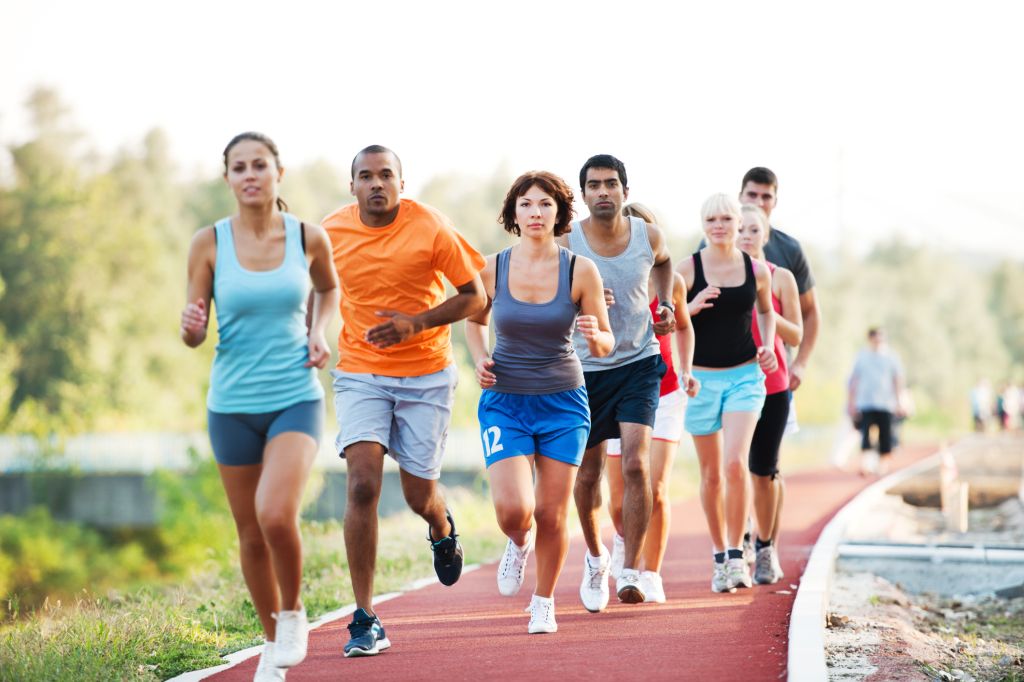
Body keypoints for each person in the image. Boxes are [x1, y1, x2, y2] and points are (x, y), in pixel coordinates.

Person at [180, 132, 340, 681]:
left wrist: (319, 330)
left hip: (294, 396)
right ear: (227, 178)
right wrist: (191, 327)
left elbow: (329, 290)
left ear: (278, 172)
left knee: (276, 513)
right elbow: (194, 330)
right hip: (231, 404)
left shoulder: (308, 237)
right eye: (239, 167)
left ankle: (293, 611)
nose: (250, 175)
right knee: (249, 530)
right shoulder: (209, 243)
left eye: (259, 165)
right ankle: (272, 643)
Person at [322, 145, 486, 657]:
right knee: (363, 482)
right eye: (365, 176)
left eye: (386, 175)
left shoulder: (430, 227)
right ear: (352, 186)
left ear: (401, 182)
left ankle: (440, 525)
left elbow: (475, 297)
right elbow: (308, 290)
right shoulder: (330, 233)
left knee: (419, 496)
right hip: (359, 370)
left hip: (426, 375)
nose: (376, 184)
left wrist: (416, 323)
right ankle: (365, 617)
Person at [465, 171, 614, 633]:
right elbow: (472, 322)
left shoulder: (580, 270)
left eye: (545, 204)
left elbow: (607, 340)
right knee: (515, 510)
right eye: (526, 204)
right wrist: (480, 358)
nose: (535, 212)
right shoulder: (492, 267)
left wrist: (596, 335)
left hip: (563, 402)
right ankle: (517, 541)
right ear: (513, 213)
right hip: (505, 399)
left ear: (559, 213)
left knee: (553, 512)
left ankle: (543, 601)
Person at [558, 154, 677, 610]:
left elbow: (665, 265)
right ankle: (595, 557)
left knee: (635, 465)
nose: (603, 192)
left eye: (611, 184)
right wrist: (581, 300)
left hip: (639, 364)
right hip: (583, 370)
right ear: (584, 195)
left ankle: (632, 568)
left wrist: (663, 304)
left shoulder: (648, 236)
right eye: (594, 185)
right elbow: (546, 294)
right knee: (587, 475)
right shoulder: (568, 241)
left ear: (625, 191)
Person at [681, 193, 777, 593]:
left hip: (744, 377)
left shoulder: (755, 270)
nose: (718, 225)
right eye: (711, 219)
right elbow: (666, 322)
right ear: (703, 225)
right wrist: (692, 305)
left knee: (736, 465)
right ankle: (719, 553)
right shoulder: (688, 269)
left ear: (739, 223)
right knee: (711, 475)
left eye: (725, 219)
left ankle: (738, 554)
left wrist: (768, 345)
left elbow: (767, 311)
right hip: (700, 379)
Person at [604, 203, 698, 604]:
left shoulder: (670, 280)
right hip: (614, 388)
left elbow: (684, 327)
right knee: (618, 496)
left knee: (655, 487)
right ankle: (625, 538)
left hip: (665, 391)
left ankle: (651, 573)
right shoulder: (599, 275)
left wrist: (688, 368)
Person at [736, 204, 802, 585]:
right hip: (731, 383)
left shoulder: (781, 279)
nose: (745, 236)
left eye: (753, 230)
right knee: (735, 469)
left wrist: (766, 313)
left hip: (772, 384)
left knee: (764, 471)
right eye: (740, 229)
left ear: (765, 235)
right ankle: (739, 544)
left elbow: (796, 335)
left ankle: (766, 547)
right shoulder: (721, 275)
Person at [847, 327, 906, 476]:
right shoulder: (862, 356)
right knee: (865, 434)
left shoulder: (892, 357)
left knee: (885, 435)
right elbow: (854, 379)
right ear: (870, 339)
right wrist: (851, 402)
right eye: (875, 339)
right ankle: (865, 465)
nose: (878, 342)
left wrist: (899, 401)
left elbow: (897, 379)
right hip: (866, 402)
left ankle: (882, 467)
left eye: (881, 338)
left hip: (886, 403)